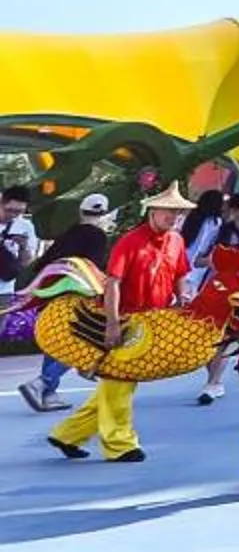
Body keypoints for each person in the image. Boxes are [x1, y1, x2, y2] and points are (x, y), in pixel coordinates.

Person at [42, 184, 193, 462]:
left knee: (119, 382)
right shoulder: (131, 241)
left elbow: (181, 273)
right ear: (152, 211)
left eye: (179, 212)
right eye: (169, 211)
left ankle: (68, 434)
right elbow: (113, 284)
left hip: (154, 323)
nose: (174, 217)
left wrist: (183, 294)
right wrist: (112, 324)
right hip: (125, 321)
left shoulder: (176, 241)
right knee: (120, 382)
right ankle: (120, 444)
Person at [17, 192, 115, 412]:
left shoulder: (69, 234)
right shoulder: (97, 236)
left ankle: (48, 393)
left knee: (55, 342)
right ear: (105, 214)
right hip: (77, 296)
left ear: (81, 212)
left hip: (51, 294)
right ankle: (43, 382)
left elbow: (42, 263)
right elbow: (91, 266)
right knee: (84, 342)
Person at [192, 190, 239, 402]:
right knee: (211, 336)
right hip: (218, 289)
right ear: (236, 209)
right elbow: (199, 259)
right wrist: (221, 261)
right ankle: (214, 381)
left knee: (230, 336)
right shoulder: (221, 231)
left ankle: (213, 382)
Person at [1, 184, 39, 287]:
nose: (13, 215)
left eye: (19, 212)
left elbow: (27, 265)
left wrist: (23, 247)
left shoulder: (26, 227)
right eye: (9, 210)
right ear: (1, 203)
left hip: (7, 288)